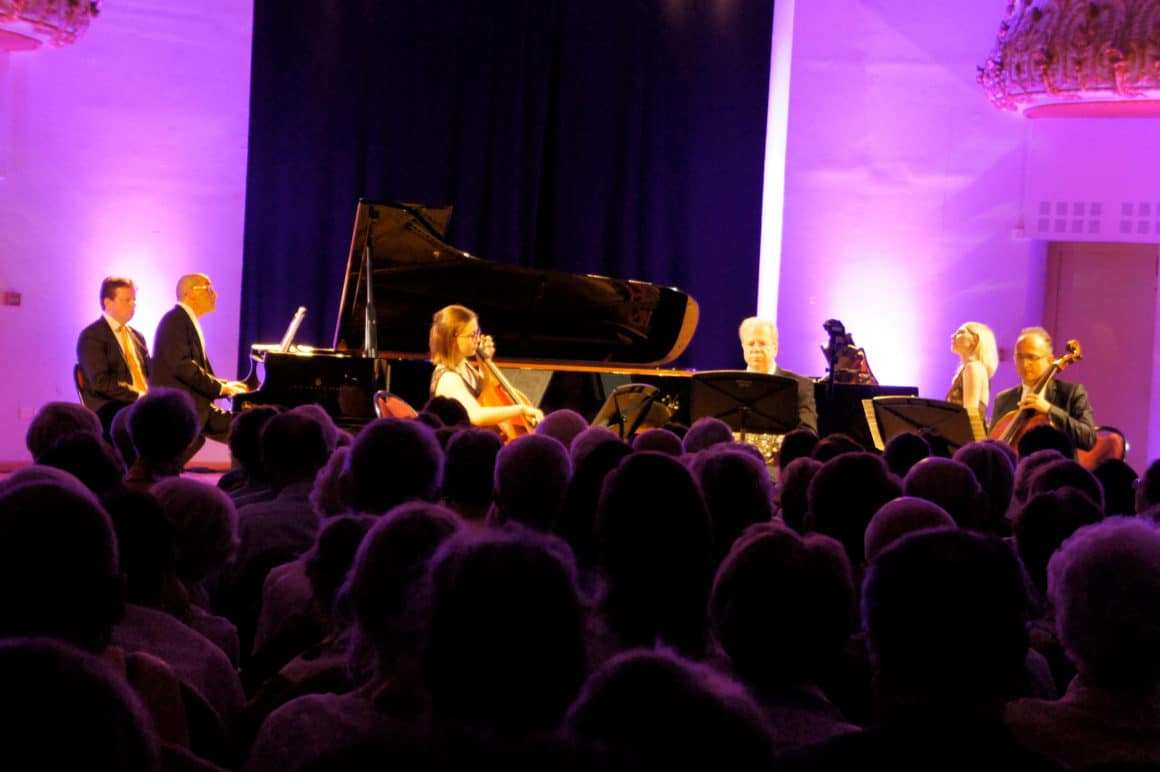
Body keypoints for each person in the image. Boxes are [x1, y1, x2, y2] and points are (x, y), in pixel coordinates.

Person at [151, 274, 248, 449]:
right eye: (208, 288)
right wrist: (221, 388)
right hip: (182, 409)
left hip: (194, 405)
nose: (215, 294)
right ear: (190, 293)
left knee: (244, 428)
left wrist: (225, 384)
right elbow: (183, 367)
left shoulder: (183, 320)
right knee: (247, 428)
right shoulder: (175, 321)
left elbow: (195, 369)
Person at [427, 304, 543, 429]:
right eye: (471, 335)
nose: (477, 339)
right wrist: (521, 409)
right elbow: (477, 416)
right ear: (453, 340)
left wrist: (484, 363)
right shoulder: (448, 378)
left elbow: (483, 390)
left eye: (477, 333)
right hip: (459, 444)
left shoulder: (463, 363)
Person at [989, 327, 1096, 452]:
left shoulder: (1071, 393)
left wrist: (1049, 409)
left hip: (1056, 467)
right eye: (1019, 357)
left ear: (1050, 360)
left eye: (1032, 357)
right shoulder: (1003, 399)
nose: (1025, 364)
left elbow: (1088, 439)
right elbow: (992, 444)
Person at [76, 276, 151, 433]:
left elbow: (151, 374)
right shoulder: (92, 336)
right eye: (127, 300)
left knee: (186, 418)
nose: (133, 304)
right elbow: (101, 382)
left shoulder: (137, 336)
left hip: (142, 405)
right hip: (111, 407)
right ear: (108, 302)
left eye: (134, 300)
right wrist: (139, 396)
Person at [738, 317, 818, 433]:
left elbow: (808, 433)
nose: (756, 349)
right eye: (750, 344)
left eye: (762, 343)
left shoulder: (800, 386)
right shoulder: (731, 384)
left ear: (775, 348)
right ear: (743, 347)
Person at [946, 321, 998, 420]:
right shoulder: (965, 371)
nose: (952, 336)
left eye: (961, 332)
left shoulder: (973, 368)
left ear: (975, 339)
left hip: (967, 434)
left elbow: (969, 413)